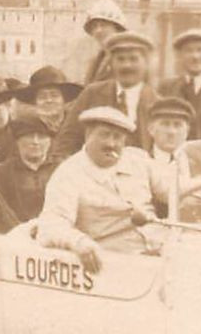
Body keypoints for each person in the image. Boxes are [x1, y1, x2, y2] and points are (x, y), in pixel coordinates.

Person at [38, 106, 173, 274]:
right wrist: (79, 243)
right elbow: (52, 224)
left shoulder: (137, 161)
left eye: (117, 137)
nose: (111, 144)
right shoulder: (69, 173)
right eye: (104, 135)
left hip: (162, 250)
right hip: (115, 264)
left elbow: (175, 190)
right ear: (88, 136)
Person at [55, 32, 159, 157]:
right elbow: (68, 139)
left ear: (146, 64)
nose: (126, 65)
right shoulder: (92, 94)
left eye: (133, 59)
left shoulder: (157, 103)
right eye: (120, 59)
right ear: (111, 64)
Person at [0, 114, 59, 222]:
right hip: (17, 232)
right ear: (17, 141)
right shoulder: (2, 173)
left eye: (41, 137)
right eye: (29, 136)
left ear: (50, 141)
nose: (35, 142)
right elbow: (1, 212)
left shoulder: (63, 169)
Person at [13, 65, 82, 138]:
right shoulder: (23, 127)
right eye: (42, 97)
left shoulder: (77, 124)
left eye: (54, 95)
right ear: (35, 102)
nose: (49, 100)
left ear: (64, 99)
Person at [82, 0, 128, 83]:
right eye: (94, 26)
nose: (98, 30)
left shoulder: (128, 57)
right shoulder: (96, 62)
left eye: (103, 25)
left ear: (117, 28)